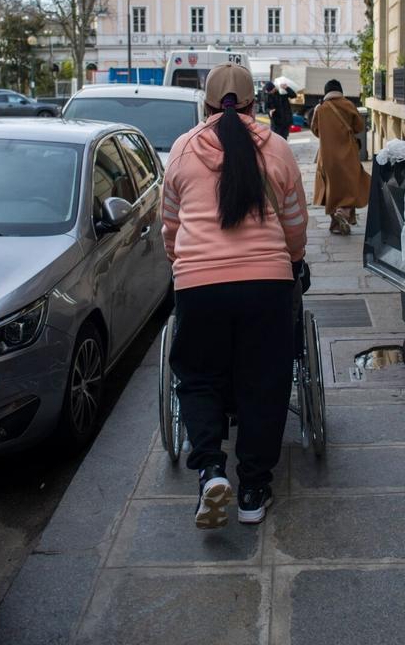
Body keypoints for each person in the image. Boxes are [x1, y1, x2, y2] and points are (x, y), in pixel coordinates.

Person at [162, 63, 308, 529]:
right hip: (266, 286)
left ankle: (209, 471)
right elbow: (294, 225)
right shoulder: (279, 150)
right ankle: (252, 489)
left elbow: (171, 224)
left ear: (206, 104)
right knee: (265, 382)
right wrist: (292, 258)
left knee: (199, 377)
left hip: (199, 286)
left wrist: (182, 263)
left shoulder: (183, 150)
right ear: (253, 104)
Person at [311, 79, 369, 235]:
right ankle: (343, 213)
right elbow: (359, 127)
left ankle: (336, 222)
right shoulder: (348, 105)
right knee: (350, 185)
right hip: (348, 154)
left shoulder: (320, 109)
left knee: (331, 188)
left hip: (327, 155)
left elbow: (315, 131)